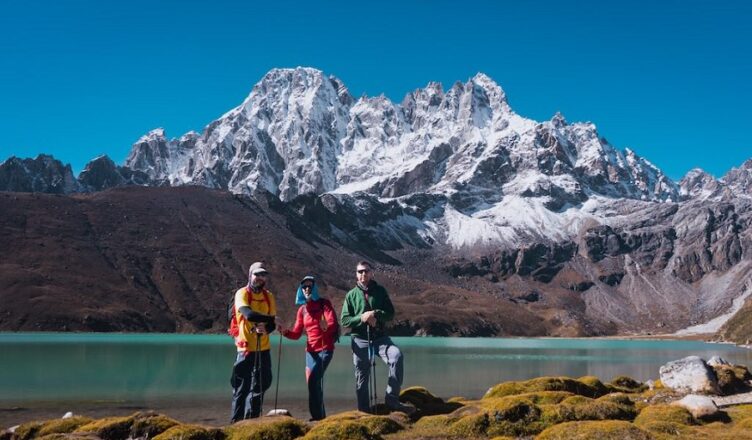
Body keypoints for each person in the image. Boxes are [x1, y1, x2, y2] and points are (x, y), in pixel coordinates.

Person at [340, 261, 414, 414]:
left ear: (371, 273)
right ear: (356, 274)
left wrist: (375, 314)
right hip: (360, 339)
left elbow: (390, 314)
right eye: (360, 271)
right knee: (361, 376)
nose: (363, 274)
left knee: (396, 356)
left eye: (366, 271)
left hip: (380, 338)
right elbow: (345, 320)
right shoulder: (351, 295)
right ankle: (363, 411)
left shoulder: (380, 291)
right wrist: (362, 317)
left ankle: (392, 399)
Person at [276, 275, 338, 421]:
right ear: (301, 290)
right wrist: (284, 332)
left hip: (325, 349)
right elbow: (296, 334)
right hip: (310, 353)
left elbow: (333, 323)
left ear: (315, 288)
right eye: (304, 287)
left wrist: (326, 327)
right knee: (313, 385)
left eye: (310, 286)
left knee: (314, 381)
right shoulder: (302, 310)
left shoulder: (324, 304)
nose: (307, 289)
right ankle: (319, 417)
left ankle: (317, 417)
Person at [230, 261, 277, 422]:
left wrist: (267, 327)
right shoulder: (241, 293)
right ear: (250, 275)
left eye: (263, 275)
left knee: (261, 385)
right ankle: (235, 424)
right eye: (257, 274)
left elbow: (272, 325)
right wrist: (268, 320)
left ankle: (252, 421)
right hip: (245, 349)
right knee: (241, 388)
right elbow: (248, 314)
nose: (260, 278)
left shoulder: (269, 297)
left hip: (264, 348)